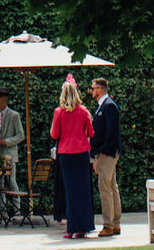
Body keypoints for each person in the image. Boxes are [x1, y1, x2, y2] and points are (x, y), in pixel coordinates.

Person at [50, 76, 94, 240]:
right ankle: (83, 227)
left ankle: (71, 228)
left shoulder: (58, 112)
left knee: (69, 192)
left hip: (65, 154)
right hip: (81, 153)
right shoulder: (83, 111)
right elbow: (91, 132)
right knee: (83, 191)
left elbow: (55, 134)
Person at [88, 76, 122, 239]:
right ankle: (115, 223)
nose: (92, 91)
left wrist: (101, 153)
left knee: (105, 189)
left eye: (93, 88)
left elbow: (111, 133)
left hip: (107, 153)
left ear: (100, 89)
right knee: (112, 187)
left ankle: (109, 224)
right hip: (106, 152)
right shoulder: (103, 106)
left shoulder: (109, 106)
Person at [0, 91, 23, 192]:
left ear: (4, 100)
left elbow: (21, 135)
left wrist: (6, 141)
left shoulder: (14, 115)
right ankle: (2, 208)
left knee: (11, 181)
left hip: (9, 155)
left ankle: (17, 207)